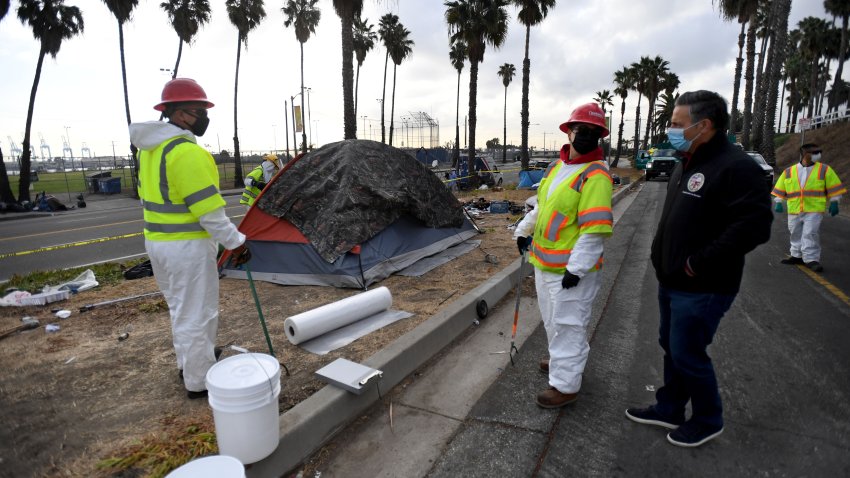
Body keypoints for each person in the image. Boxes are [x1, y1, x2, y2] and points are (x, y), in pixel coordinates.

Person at [626, 90, 772, 447]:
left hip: (704, 285)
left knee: (688, 352)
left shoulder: (737, 167)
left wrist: (698, 262)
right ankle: (670, 407)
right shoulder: (685, 161)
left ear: (703, 125)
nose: (670, 130)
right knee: (671, 346)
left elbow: (753, 227)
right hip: (671, 279)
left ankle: (708, 419)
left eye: (677, 124)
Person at [129, 78, 251, 400]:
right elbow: (210, 213)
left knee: (181, 310)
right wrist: (237, 243)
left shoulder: (151, 151)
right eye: (199, 111)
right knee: (198, 313)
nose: (204, 118)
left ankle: (189, 363)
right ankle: (199, 380)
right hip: (187, 248)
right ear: (181, 115)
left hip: (158, 245)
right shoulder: (187, 153)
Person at [513, 103, 613, 409]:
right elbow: (542, 206)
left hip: (570, 272)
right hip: (544, 264)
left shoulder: (596, 175)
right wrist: (523, 230)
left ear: (599, 138)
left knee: (569, 325)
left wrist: (577, 269)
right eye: (579, 129)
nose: (584, 136)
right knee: (552, 321)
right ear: (568, 131)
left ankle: (566, 385)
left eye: (592, 132)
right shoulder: (558, 168)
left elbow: (593, 230)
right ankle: (561, 361)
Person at [771, 143, 845, 272]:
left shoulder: (824, 169)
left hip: (814, 209)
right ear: (804, 154)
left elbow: (835, 187)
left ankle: (811, 259)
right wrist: (778, 201)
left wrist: (834, 201)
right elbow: (780, 188)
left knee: (810, 233)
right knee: (794, 232)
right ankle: (796, 255)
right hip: (794, 209)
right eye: (814, 152)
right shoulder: (789, 171)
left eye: (818, 152)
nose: (818, 155)